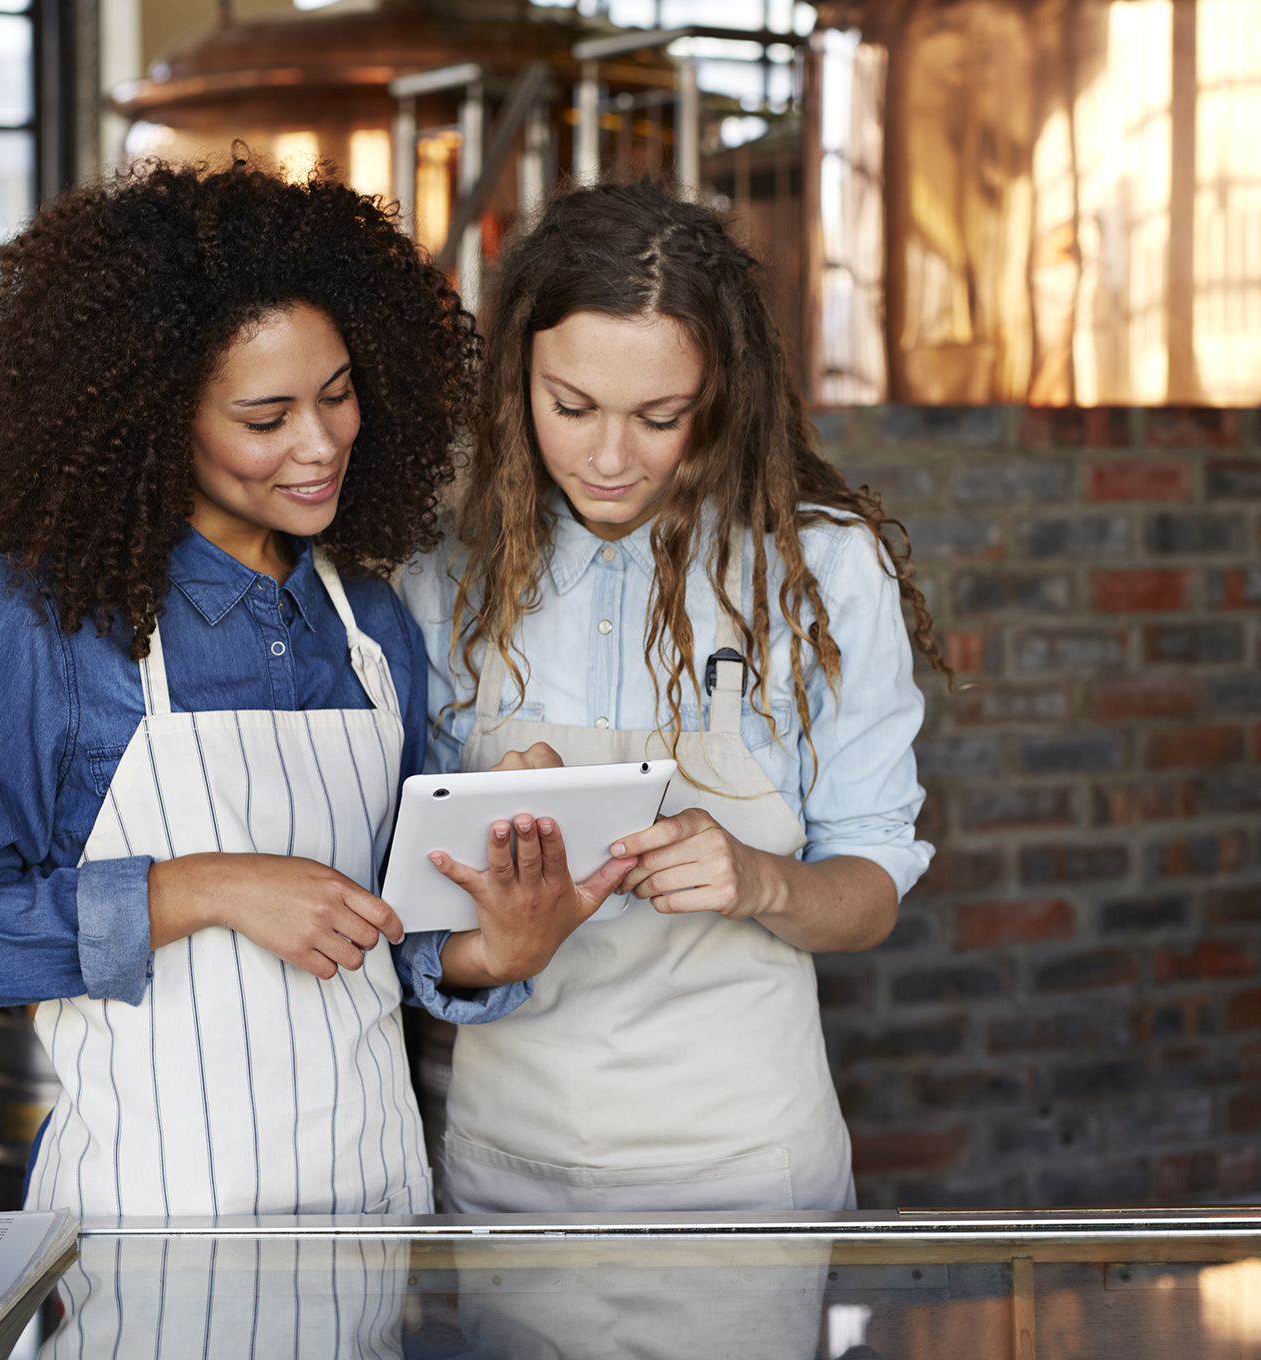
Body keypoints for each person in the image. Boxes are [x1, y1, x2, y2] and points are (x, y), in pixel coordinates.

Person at [0, 159, 559, 1223]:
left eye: (337, 394)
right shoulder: (41, 621)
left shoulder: (368, 623)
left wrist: (503, 940)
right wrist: (199, 888)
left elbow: (406, 929)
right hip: (143, 1228)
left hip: (372, 1209)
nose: (322, 440)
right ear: (155, 420)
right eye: (265, 416)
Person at [398, 179, 952, 1216]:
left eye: (660, 417)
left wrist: (761, 881)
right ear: (516, 382)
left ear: (723, 395)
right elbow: (407, 923)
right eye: (570, 409)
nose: (609, 459)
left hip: (747, 1165)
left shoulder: (821, 570)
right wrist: (490, 883)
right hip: (507, 1163)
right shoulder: (444, 573)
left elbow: (869, 886)